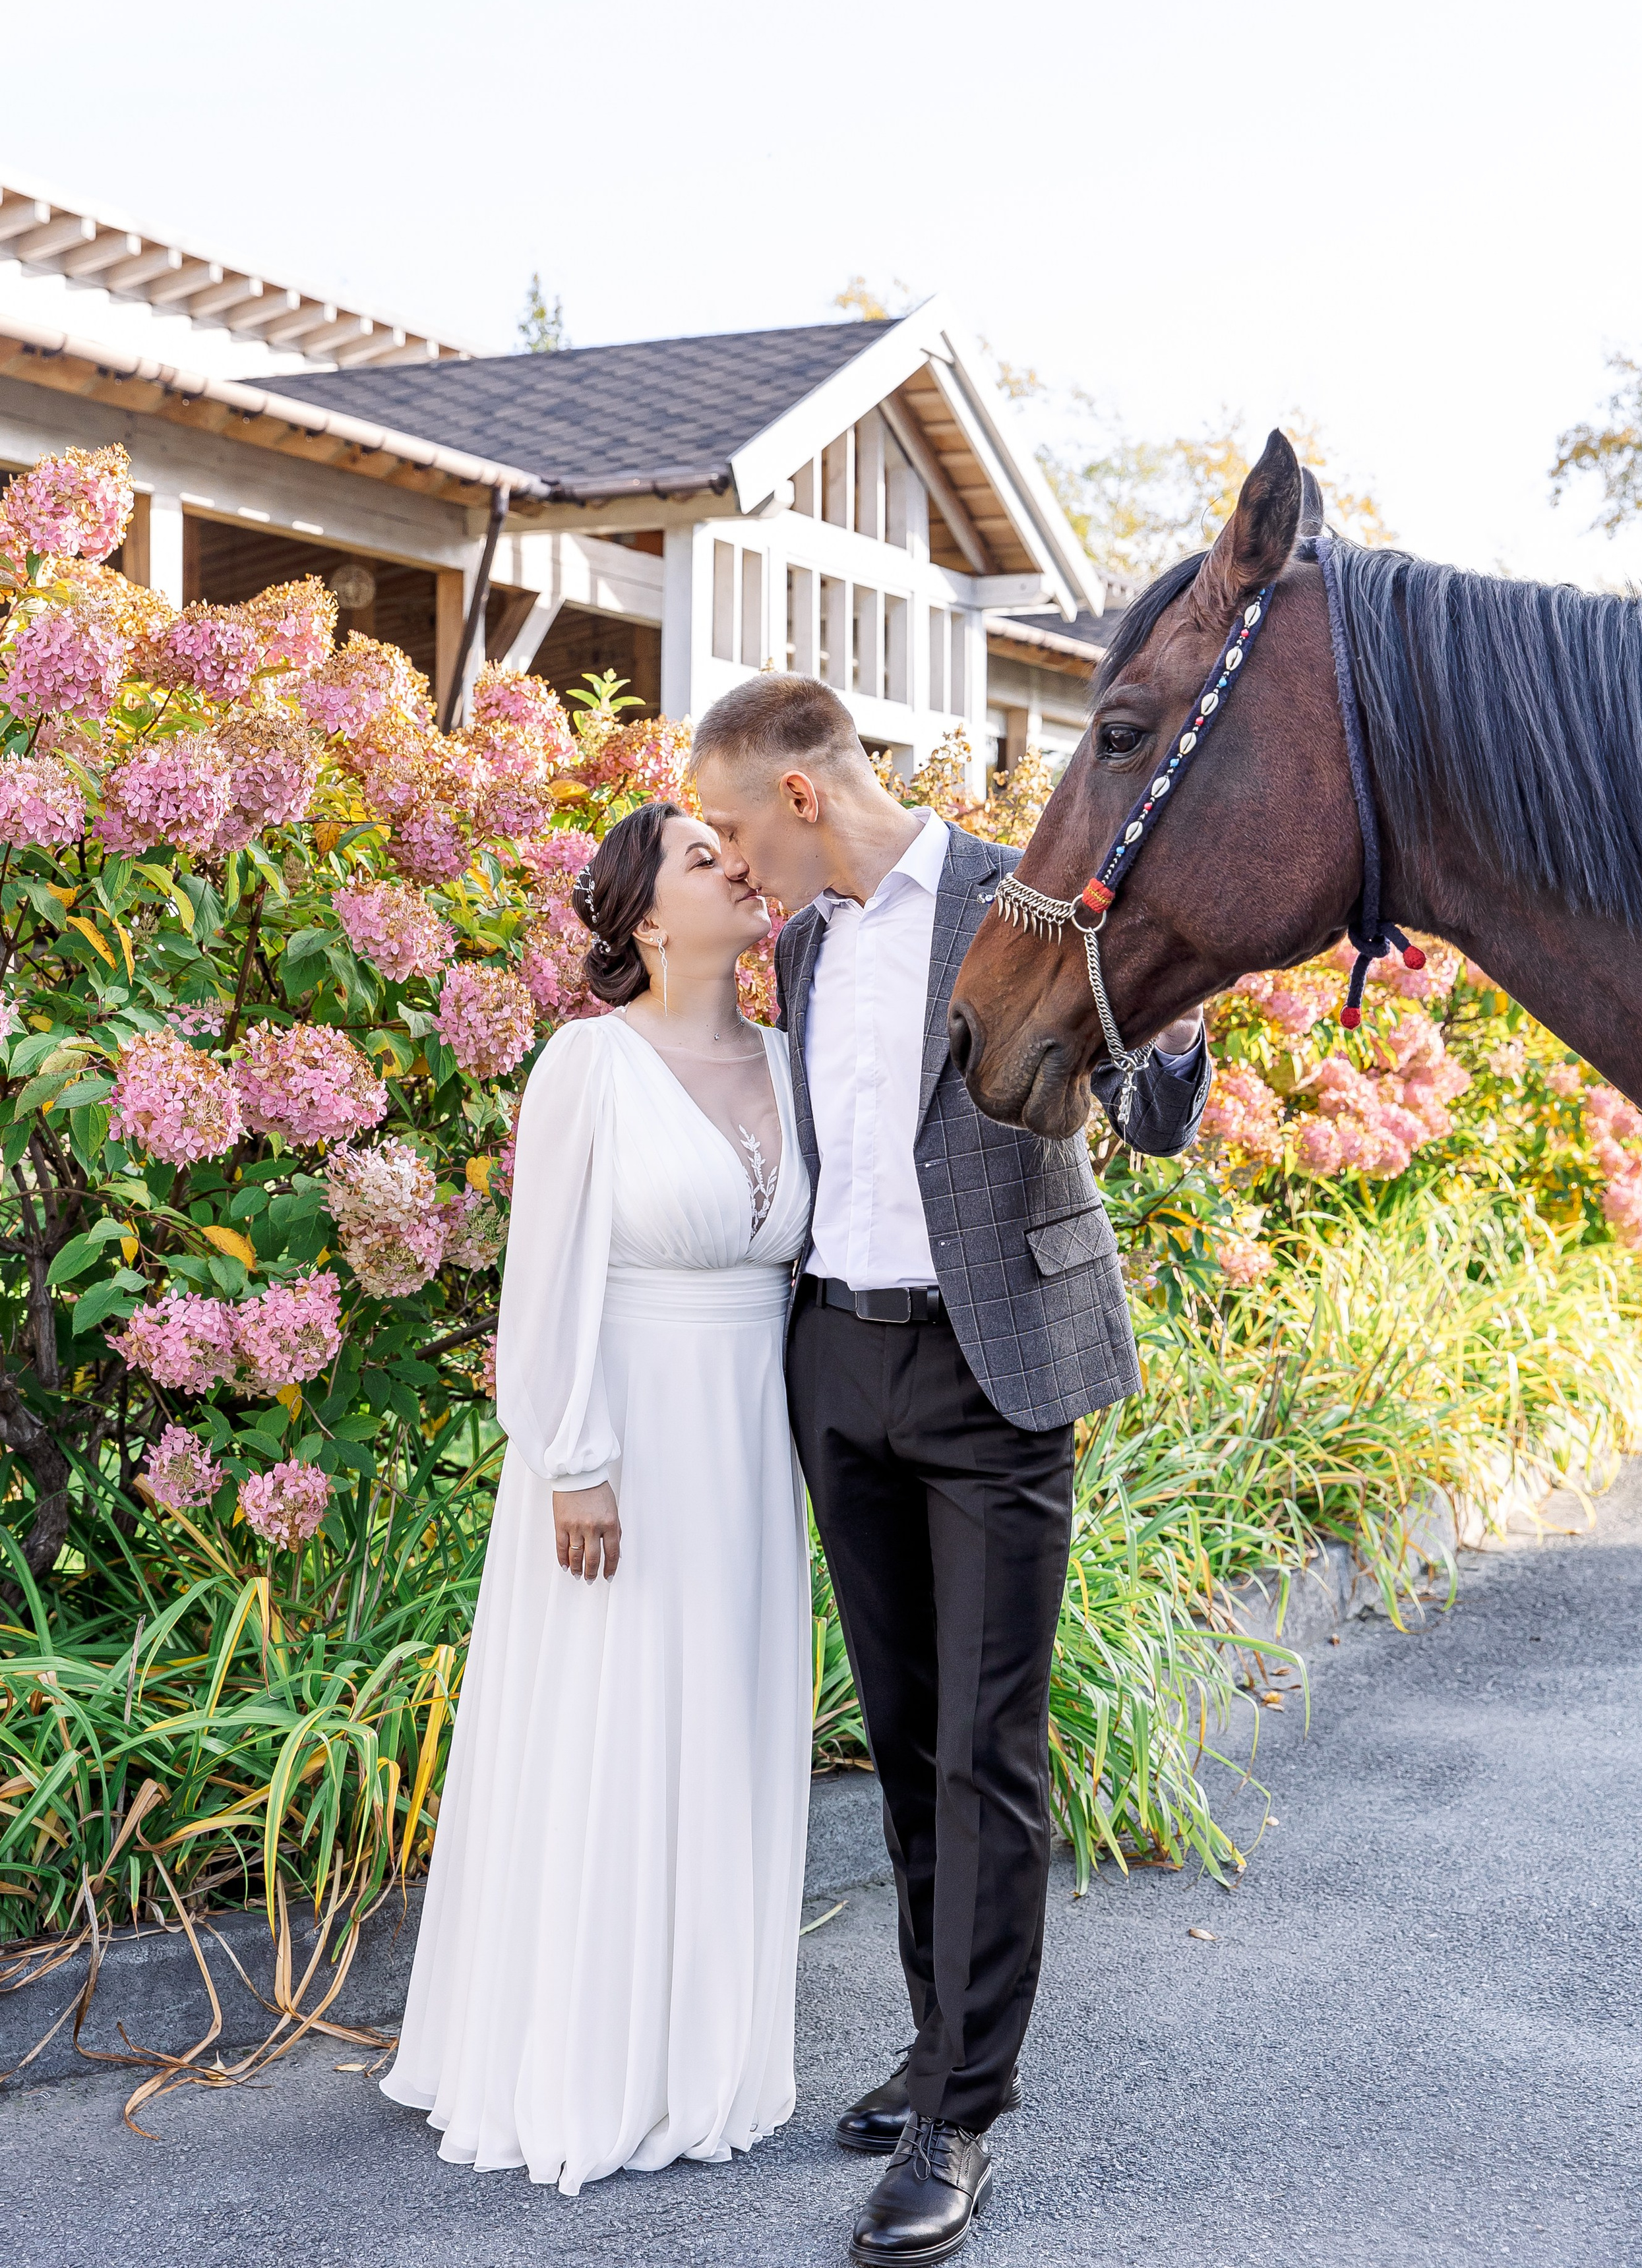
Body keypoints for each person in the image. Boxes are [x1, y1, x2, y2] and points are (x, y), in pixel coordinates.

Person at [693, 678, 1208, 2268]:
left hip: (997, 1367)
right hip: (836, 1364)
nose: (721, 862)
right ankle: (936, 2042)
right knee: (907, 1731)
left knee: (984, 1741)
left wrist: (1177, 1019)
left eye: (724, 825)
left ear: (796, 796)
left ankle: (960, 2114)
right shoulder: (800, 945)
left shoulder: (1021, 894)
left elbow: (1150, 1110)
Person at [382, 802, 814, 2195]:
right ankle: (584, 2054)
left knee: (727, 1728)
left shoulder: (793, 1062)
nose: (739, 871)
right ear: (643, 919)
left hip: (750, 1447)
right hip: (620, 1436)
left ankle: (704, 2049)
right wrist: (571, 1454)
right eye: (705, 859)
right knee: (617, 1726)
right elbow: (544, 1268)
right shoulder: (589, 1063)